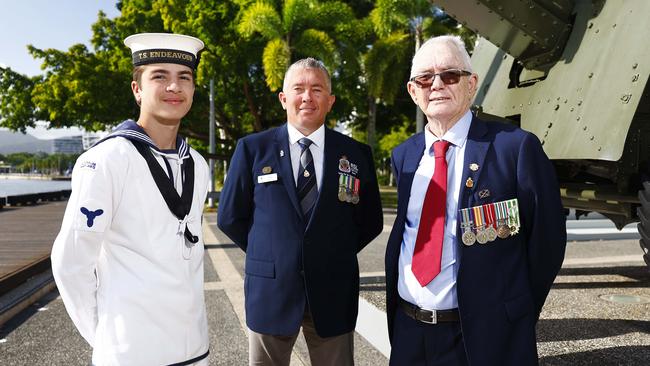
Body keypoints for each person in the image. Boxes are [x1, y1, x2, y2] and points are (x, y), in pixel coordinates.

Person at [384, 35, 567, 365]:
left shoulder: (515, 148)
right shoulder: (405, 157)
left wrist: (514, 311)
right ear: (413, 91)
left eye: (449, 75)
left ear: (471, 84)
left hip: (483, 337)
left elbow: (547, 243)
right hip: (410, 334)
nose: (436, 84)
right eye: (425, 78)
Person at [51, 33, 210, 366]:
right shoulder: (106, 160)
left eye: (184, 77)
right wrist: (108, 337)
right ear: (137, 90)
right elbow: (71, 262)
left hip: (195, 350)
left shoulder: (197, 163)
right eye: (159, 76)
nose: (174, 87)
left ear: (194, 90)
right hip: (131, 355)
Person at [217, 58, 383, 366]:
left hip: (333, 288)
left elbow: (369, 221)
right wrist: (272, 251)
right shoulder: (253, 149)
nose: (307, 96)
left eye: (317, 89)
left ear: (330, 101)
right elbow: (230, 217)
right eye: (299, 88)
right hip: (271, 289)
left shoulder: (356, 154)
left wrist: (327, 250)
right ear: (283, 98)